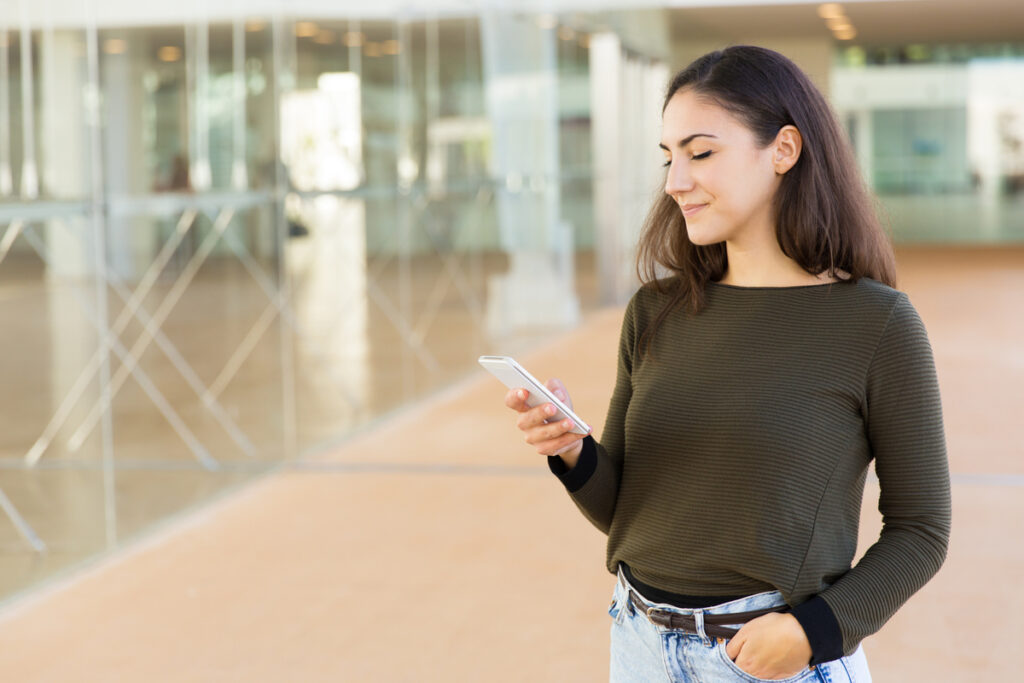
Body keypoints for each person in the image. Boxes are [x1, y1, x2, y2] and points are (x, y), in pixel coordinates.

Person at [503, 46, 950, 682]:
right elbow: (627, 510)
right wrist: (573, 453)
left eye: (700, 152)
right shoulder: (656, 310)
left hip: (772, 659)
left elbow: (922, 529)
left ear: (784, 150)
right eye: (668, 157)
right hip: (637, 643)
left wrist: (813, 632)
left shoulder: (876, 324)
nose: (674, 181)